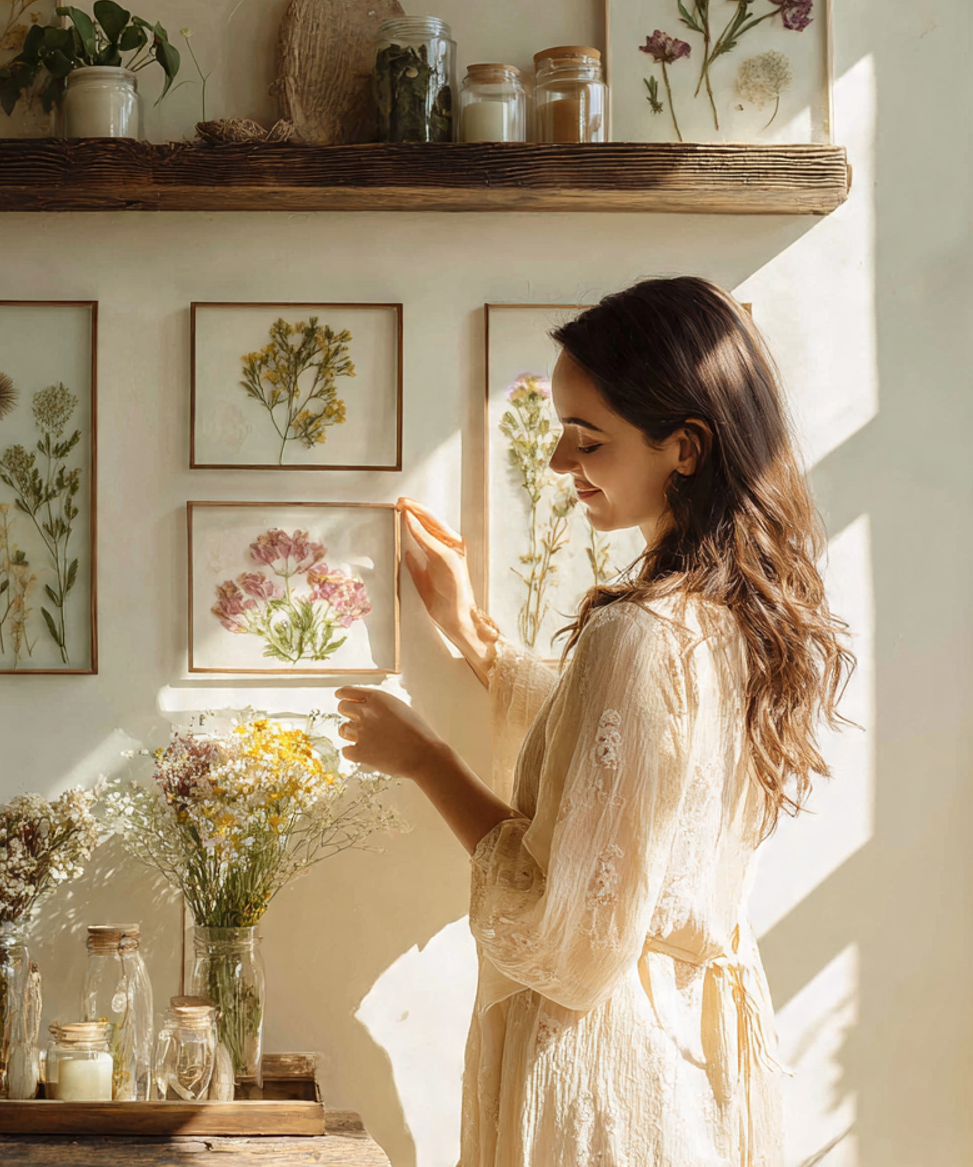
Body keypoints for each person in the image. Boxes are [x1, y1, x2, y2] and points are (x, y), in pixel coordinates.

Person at [335, 277, 854, 1167]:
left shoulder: (638, 634)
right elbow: (614, 749)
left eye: (587, 439)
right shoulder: (736, 616)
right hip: (693, 1057)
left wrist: (425, 759)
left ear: (684, 447)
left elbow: (568, 936)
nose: (556, 461)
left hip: (606, 1071)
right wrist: (476, 639)